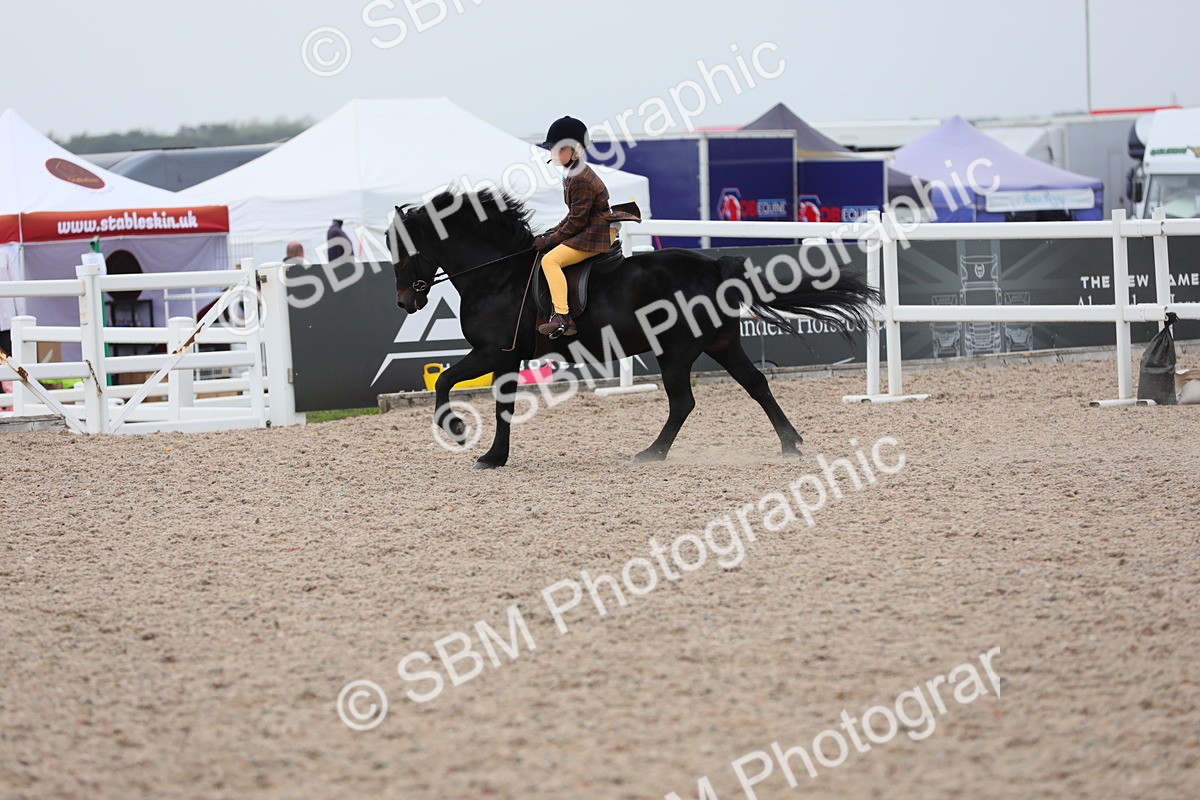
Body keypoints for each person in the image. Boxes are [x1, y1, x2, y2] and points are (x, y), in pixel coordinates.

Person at [532, 116, 622, 339]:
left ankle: (563, 317)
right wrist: (551, 232)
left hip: (597, 232)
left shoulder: (580, 178)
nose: (553, 153)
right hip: (591, 227)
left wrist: (551, 240)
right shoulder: (574, 173)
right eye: (552, 148)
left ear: (575, 151)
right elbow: (573, 216)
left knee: (550, 260)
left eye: (558, 148)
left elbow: (577, 222)